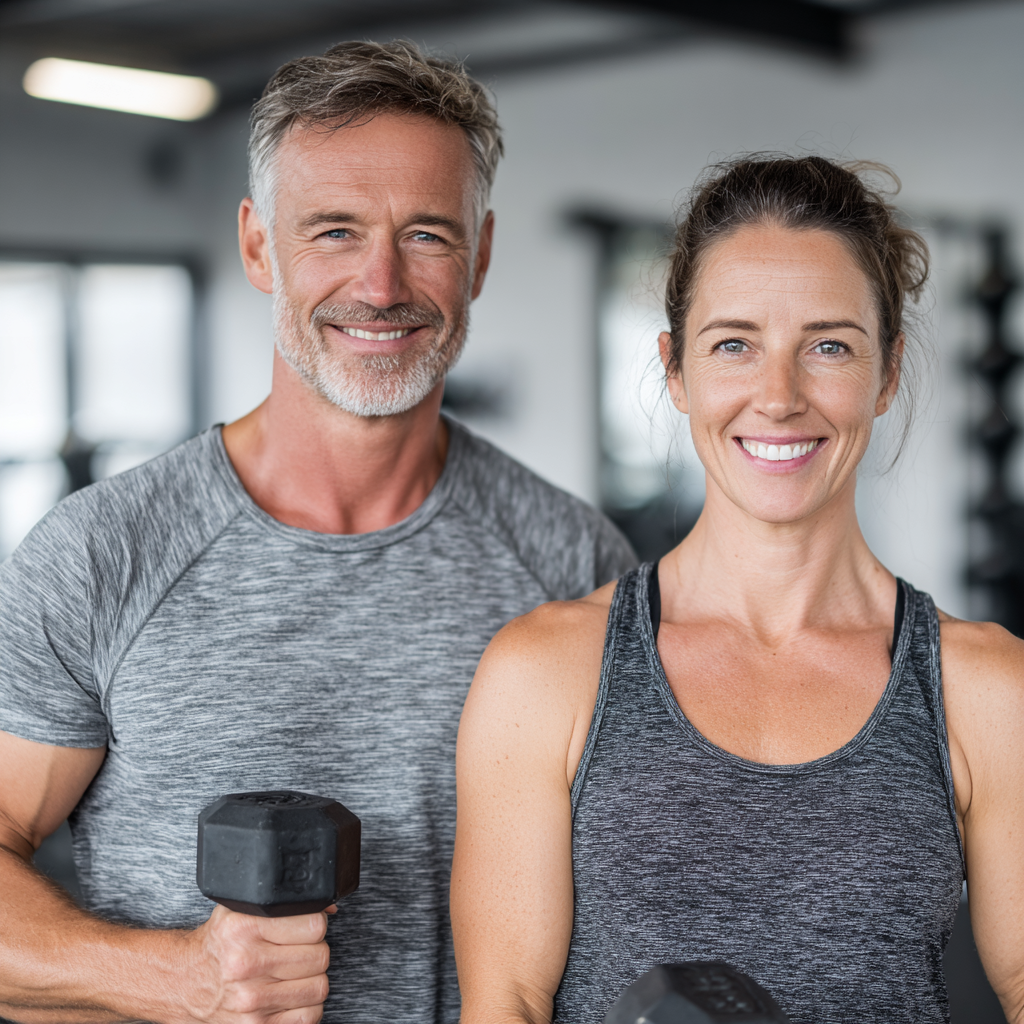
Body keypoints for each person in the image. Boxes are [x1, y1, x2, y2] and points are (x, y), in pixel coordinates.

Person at [0, 41, 635, 1024]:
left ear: (481, 254)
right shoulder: (100, 554)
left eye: (426, 234)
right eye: (335, 231)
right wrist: (178, 978)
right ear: (259, 247)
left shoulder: (571, 562)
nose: (380, 284)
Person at [451, 156, 1024, 1024]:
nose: (779, 397)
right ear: (675, 371)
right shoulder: (544, 673)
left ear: (888, 373)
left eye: (828, 345)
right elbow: (508, 1004)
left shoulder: (987, 689)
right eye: (734, 345)